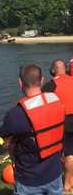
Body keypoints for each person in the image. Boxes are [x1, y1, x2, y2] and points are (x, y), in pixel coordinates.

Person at [0, 64, 65, 195]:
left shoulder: (16, 113)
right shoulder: (57, 102)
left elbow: (3, 133)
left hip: (29, 180)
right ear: (42, 80)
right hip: (55, 173)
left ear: (20, 82)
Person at [42, 59, 73, 192]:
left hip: (65, 121)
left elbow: (41, 104)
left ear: (53, 70)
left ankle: (66, 183)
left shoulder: (50, 85)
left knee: (67, 153)